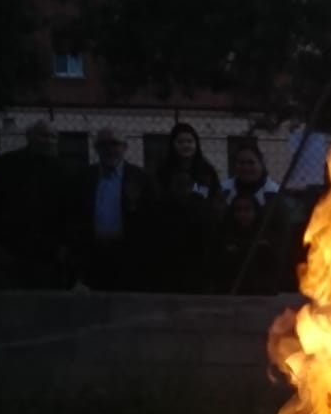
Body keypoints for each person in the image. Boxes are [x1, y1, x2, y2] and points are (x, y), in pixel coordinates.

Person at [0, 120, 71, 289]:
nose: (49, 141)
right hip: (12, 249)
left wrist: (63, 246)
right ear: (29, 137)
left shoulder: (63, 170)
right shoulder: (8, 164)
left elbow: (68, 211)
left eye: (53, 137)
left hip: (48, 252)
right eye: (44, 136)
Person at [72, 127, 154, 291]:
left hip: (128, 256)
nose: (110, 149)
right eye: (104, 144)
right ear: (96, 148)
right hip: (93, 256)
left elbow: (151, 217)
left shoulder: (141, 178)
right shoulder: (83, 178)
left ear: (125, 147)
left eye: (115, 144)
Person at [152, 121, 221, 293]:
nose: (186, 145)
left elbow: (212, 196)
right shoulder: (163, 171)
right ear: (173, 144)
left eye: (189, 141)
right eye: (180, 141)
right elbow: (158, 197)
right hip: (172, 233)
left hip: (201, 234)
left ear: (196, 144)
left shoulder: (206, 170)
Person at [220, 139, 279, 207]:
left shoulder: (275, 193)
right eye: (241, 163)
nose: (246, 168)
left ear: (261, 164)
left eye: (251, 162)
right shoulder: (224, 190)